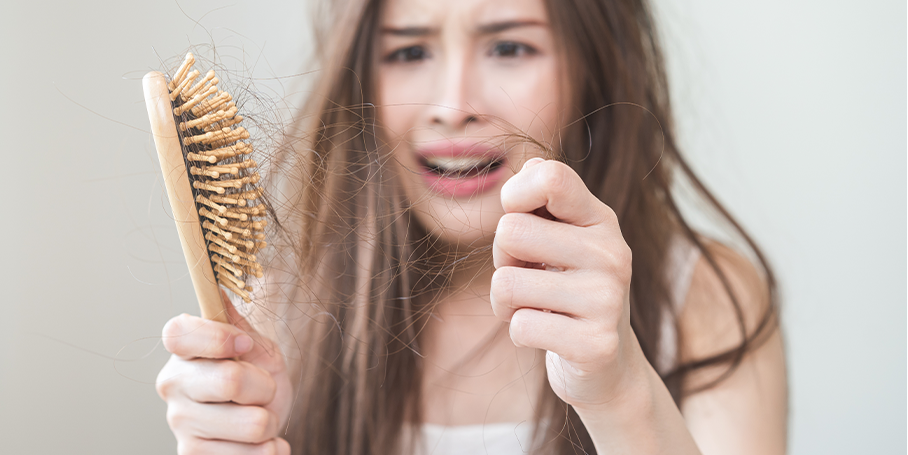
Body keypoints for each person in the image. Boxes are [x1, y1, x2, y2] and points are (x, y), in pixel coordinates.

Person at [154, 0, 788, 453]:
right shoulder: (282, 307)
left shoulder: (704, 298)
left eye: (510, 46)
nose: (452, 106)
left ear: (590, 68)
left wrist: (619, 392)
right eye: (409, 50)